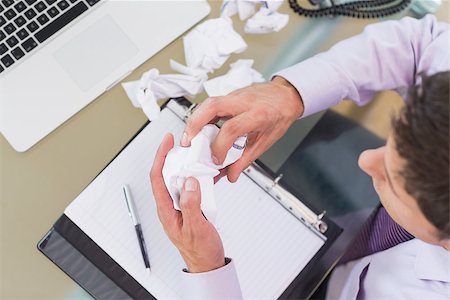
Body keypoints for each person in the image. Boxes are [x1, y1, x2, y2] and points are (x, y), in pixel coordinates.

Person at [150, 14, 449, 299]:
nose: (365, 160)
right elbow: (422, 45)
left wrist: (207, 271)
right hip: (355, 228)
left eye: (395, 182)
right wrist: (291, 93)